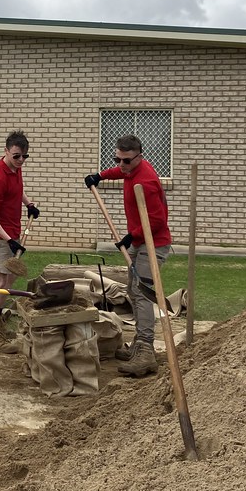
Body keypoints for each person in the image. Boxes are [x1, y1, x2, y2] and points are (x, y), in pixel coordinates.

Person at [85, 134, 171, 377]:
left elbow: (157, 220)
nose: (121, 165)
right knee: (133, 289)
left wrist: (130, 236)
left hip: (153, 243)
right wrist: (100, 176)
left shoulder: (147, 181)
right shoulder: (131, 169)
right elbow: (119, 172)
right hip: (140, 240)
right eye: (118, 159)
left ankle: (145, 351)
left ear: (139, 157)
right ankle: (139, 344)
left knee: (143, 293)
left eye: (126, 161)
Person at [0, 130, 42, 353]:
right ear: (6, 150)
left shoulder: (15, 170)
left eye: (25, 156)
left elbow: (17, 190)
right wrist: (8, 240)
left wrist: (28, 204)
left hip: (12, 233)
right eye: (16, 156)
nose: (21, 160)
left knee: (9, 280)